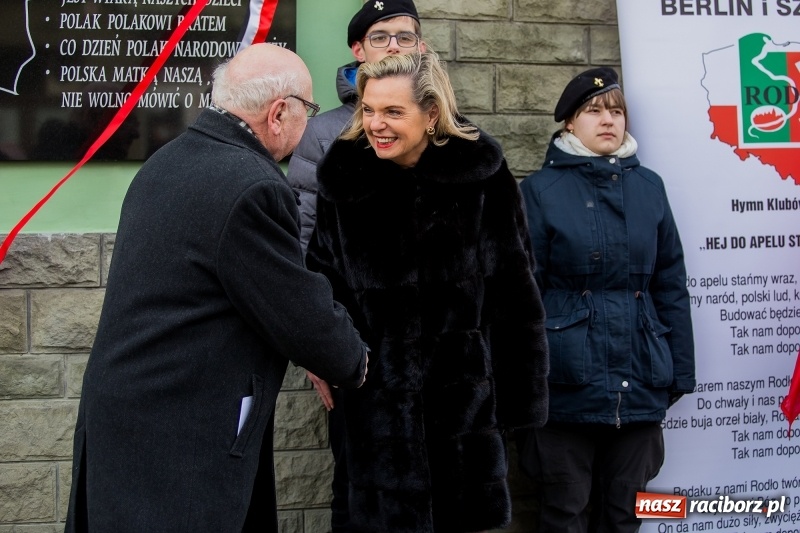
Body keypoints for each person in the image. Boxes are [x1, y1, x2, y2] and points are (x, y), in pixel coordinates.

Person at [64, 43, 369, 533]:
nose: (309, 123)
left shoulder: (166, 160)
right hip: (180, 444)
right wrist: (357, 361)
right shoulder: (253, 185)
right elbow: (297, 311)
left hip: (127, 422)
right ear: (278, 114)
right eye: (308, 110)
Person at [305, 50, 550, 533]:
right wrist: (329, 357)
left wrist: (519, 405)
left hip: (464, 410)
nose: (376, 124)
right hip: (377, 410)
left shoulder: (480, 175)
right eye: (368, 110)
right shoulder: (345, 180)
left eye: (393, 111)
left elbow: (516, 294)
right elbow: (322, 282)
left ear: (431, 113)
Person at [518, 67, 696, 533]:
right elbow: (522, 294)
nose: (607, 120)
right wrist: (523, 381)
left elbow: (670, 283)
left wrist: (679, 371)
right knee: (565, 515)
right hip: (564, 388)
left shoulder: (650, 187)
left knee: (627, 514)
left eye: (616, 111)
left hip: (639, 380)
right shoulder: (538, 192)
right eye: (593, 111)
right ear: (569, 123)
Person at [286, 1, 424, 530]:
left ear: (421, 47)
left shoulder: (448, 126)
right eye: (380, 37)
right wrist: (319, 348)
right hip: (359, 352)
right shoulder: (325, 134)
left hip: (436, 355)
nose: (393, 46)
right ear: (358, 50)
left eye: (404, 36)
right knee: (360, 494)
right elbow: (301, 245)